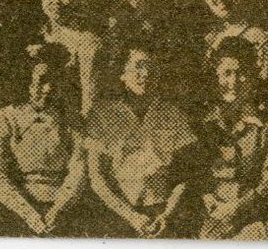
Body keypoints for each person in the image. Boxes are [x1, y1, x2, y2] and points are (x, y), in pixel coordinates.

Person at [83, 43, 204, 238]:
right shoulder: (102, 114)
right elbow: (97, 177)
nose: (145, 73)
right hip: (117, 216)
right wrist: (132, 217)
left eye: (151, 67)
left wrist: (166, 215)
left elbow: (185, 175)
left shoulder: (173, 114)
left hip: (162, 215)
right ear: (122, 73)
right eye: (138, 66)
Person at [0, 43, 90, 236]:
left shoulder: (70, 121)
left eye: (53, 79)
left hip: (65, 212)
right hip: (13, 213)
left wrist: (58, 210)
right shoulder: (2, 119)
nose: (48, 88)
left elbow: (78, 170)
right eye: (41, 81)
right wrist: (30, 215)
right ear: (24, 80)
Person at [196, 37, 268, 240]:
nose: (234, 82)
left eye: (242, 73)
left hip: (255, 218)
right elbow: (196, 173)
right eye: (227, 73)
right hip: (211, 216)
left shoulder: (267, 127)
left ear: (253, 78)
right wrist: (208, 199)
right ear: (216, 77)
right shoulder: (203, 126)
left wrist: (238, 207)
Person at [36, 0, 105, 115]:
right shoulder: (38, 34)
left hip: (69, 116)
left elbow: (89, 93)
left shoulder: (86, 39)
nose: (57, 0)